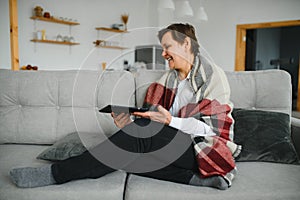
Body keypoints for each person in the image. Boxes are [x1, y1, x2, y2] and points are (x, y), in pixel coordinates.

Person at [9, 23, 241, 190]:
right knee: (129, 152)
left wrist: (170, 121)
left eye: (168, 46)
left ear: (186, 43)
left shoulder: (212, 76)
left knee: (136, 137)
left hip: (202, 149)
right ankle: (198, 180)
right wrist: (128, 123)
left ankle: (57, 174)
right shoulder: (169, 80)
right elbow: (153, 126)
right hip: (176, 147)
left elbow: (211, 131)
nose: (163, 54)